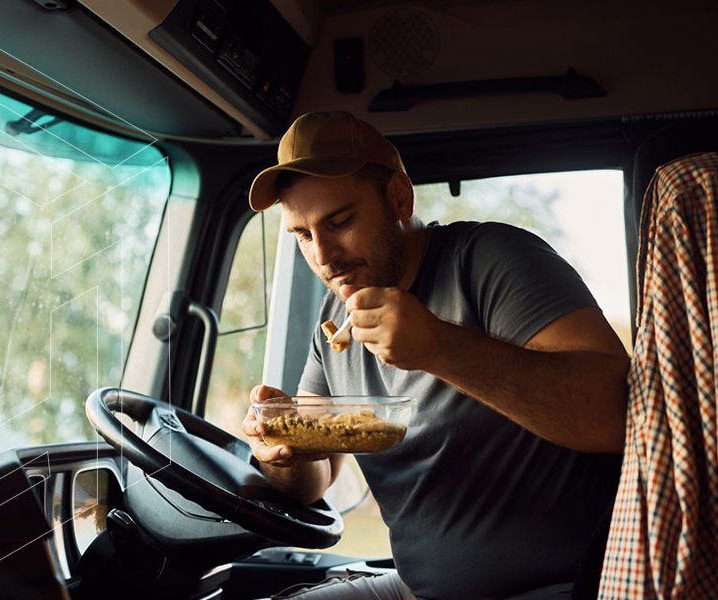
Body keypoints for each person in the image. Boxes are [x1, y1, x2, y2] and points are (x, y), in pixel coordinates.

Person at [242, 111, 628, 600]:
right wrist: (282, 451)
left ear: (399, 197)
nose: (323, 256)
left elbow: (614, 415)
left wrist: (440, 348)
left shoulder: (493, 259)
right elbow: (316, 477)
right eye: (302, 234)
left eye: (340, 222)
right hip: (418, 588)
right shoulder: (336, 315)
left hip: (564, 586)